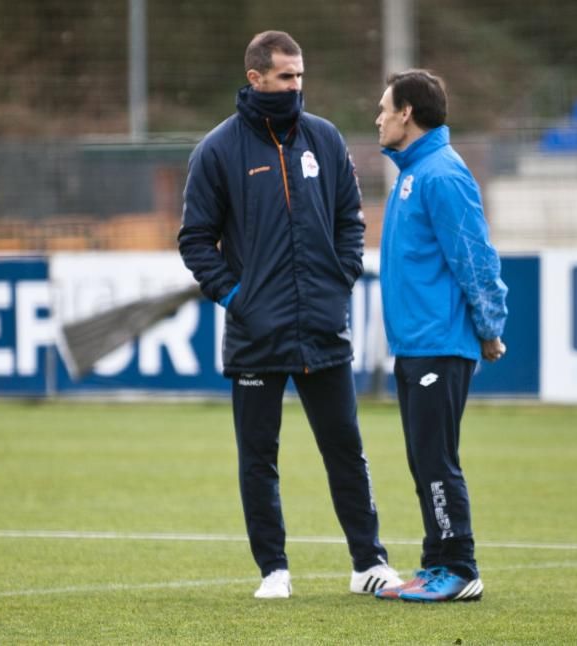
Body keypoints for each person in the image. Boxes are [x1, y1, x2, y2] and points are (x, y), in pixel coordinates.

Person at [177, 30, 402, 600]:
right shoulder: (217, 150)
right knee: (259, 458)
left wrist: (340, 277)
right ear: (255, 79)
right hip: (256, 335)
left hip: (322, 328)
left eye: (300, 76)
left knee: (345, 448)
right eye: (285, 77)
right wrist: (237, 299)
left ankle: (368, 562)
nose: (296, 86)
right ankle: (273, 570)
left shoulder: (324, 140)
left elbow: (350, 219)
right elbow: (196, 240)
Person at [372, 69, 508, 602]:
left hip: (440, 344)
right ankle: (435, 563)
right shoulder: (414, 172)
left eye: (385, 108)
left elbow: (474, 256)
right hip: (414, 344)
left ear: (407, 113)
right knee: (422, 458)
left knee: (436, 459)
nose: (378, 117)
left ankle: (460, 566)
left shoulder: (442, 174)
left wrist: (489, 327)